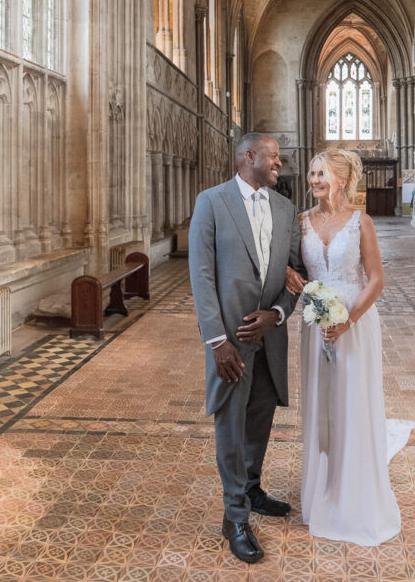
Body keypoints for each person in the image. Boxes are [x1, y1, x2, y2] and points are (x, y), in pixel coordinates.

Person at [285, 148, 415, 546]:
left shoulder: (362, 222)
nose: (314, 180)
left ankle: (353, 494)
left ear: (341, 179)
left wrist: (348, 320)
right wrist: (295, 278)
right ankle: (322, 491)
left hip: (353, 324)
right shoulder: (301, 221)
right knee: (321, 402)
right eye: (311, 173)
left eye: (321, 173)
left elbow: (375, 280)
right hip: (315, 323)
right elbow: (300, 270)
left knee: (351, 402)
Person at [188, 132, 306, 564]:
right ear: (249, 156)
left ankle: (251, 489)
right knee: (231, 427)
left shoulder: (285, 209)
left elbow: (296, 274)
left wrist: (277, 313)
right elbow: (201, 278)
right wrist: (217, 340)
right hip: (231, 342)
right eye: (274, 156)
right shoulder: (211, 202)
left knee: (260, 418)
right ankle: (234, 515)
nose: (280, 162)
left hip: (270, 337)